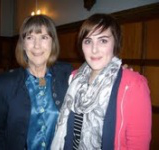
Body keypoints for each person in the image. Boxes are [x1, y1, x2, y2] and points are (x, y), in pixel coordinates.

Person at [51, 13, 152, 150]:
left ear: (115, 42)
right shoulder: (74, 78)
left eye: (103, 40)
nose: (94, 49)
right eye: (88, 41)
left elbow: (138, 143)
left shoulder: (133, 84)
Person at [0, 15, 73, 150]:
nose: (37, 45)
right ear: (23, 45)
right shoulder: (5, 84)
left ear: (53, 42)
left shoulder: (67, 75)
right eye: (30, 38)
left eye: (44, 37)